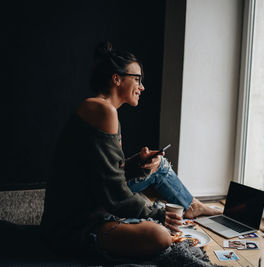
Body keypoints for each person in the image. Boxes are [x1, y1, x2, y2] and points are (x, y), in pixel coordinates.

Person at [40, 41, 221, 260]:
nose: (142, 87)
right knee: (160, 237)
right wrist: (158, 214)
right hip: (76, 225)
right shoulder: (102, 110)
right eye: (137, 79)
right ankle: (171, 215)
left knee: (159, 164)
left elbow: (101, 172)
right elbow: (115, 194)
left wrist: (137, 163)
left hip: (94, 200)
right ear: (117, 78)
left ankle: (192, 205)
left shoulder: (103, 108)